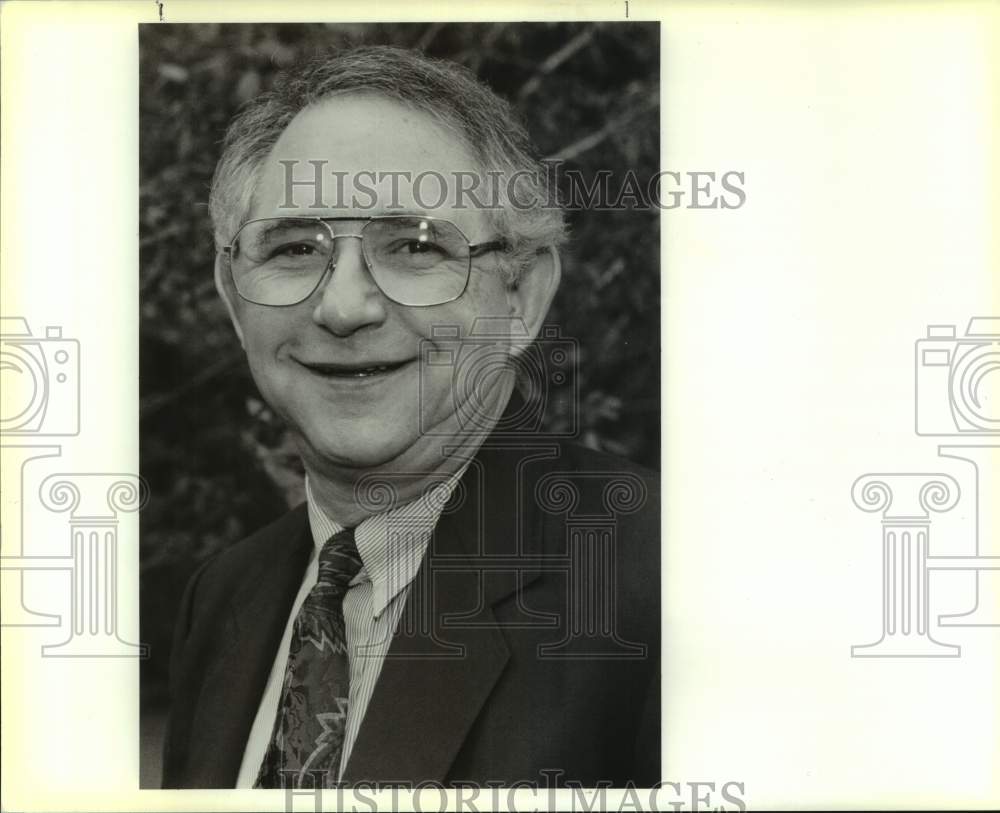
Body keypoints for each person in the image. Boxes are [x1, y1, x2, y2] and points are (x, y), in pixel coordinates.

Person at [161, 44, 660, 790]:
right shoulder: (223, 598)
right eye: (295, 247)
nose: (343, 306)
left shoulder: (665, 578)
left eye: (415, 247)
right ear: (235, 300)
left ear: (521, 298)